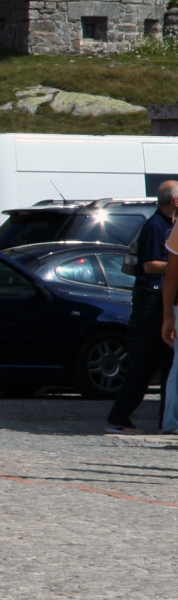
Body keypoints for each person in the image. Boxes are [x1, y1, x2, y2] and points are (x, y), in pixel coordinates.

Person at [107, 183, 178, 434]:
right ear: (175, 201)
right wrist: (174, 266)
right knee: (143, 364)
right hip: (150, 300)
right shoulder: (155, 225)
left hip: (164, 299)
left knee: (170, 364)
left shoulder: (170, 225)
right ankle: (119, 417)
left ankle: (167, 421)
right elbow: (149, 265)